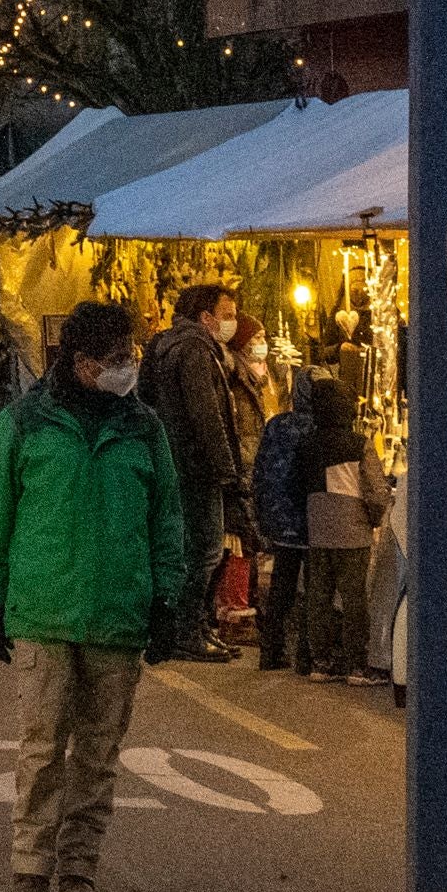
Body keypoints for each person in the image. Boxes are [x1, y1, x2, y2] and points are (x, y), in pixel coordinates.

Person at [0, 299, 185, 892]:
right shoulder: (25, 422)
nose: (128, 368)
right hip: (43, 611)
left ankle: (79, 864)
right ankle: (31, 863)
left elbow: (167, 517)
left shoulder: (144, 428)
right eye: (117, 359)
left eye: (129, 356)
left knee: (97, 753)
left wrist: (168, 597)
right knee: (40, 749)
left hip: (118, 614)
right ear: (83, 363)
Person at [141, 284, 268, 665]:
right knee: (205, 551)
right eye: (227, 313)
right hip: (196, 468)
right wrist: (227, 470)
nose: (231, 321)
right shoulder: (195, 350)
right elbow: (206, 415)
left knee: (193, 549)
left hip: (178, 464)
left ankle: (194, 627)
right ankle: (187, 630)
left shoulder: (168, 345)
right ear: (205, 317)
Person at [254, 366, 384, 677]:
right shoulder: (345, 439)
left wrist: (265, 514)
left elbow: (266, 473)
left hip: (297, 520)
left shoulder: (281, 427)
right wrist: (375, 518)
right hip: (332, 526)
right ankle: (334, 660)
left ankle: (293, 656)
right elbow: (373, 489)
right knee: (339, 594)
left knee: (296, 588)